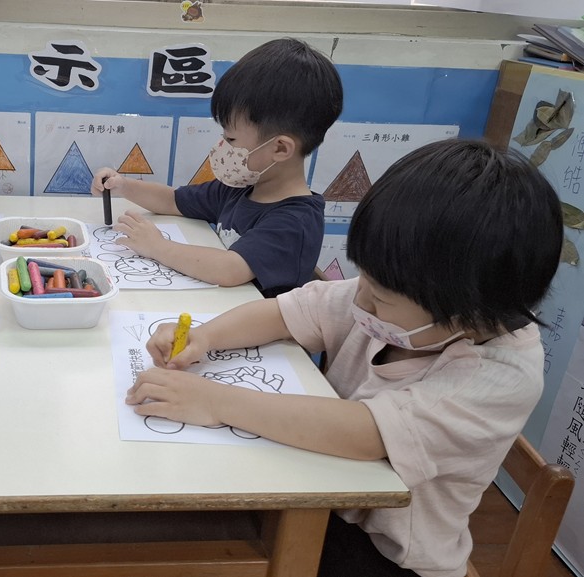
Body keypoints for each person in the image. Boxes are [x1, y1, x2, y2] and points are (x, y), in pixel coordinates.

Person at [128, 139, 563, 577]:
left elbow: (368, 433)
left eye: (380, 297)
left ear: (468, 310)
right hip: (323, 494)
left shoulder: (500, 376)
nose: (361, 300)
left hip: (387, 551)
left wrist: (215, 401)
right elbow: (288, 311)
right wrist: (204, 337)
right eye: (364, 280)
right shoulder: (396, 297)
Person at [91, 38, 342, 296]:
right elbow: (173, 200)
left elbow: (230, 269)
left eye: (231, 139)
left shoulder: (295, 223)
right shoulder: (241, 187)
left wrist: (157, 246)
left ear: (280, 148)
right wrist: (123, 186)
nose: (222, 146)